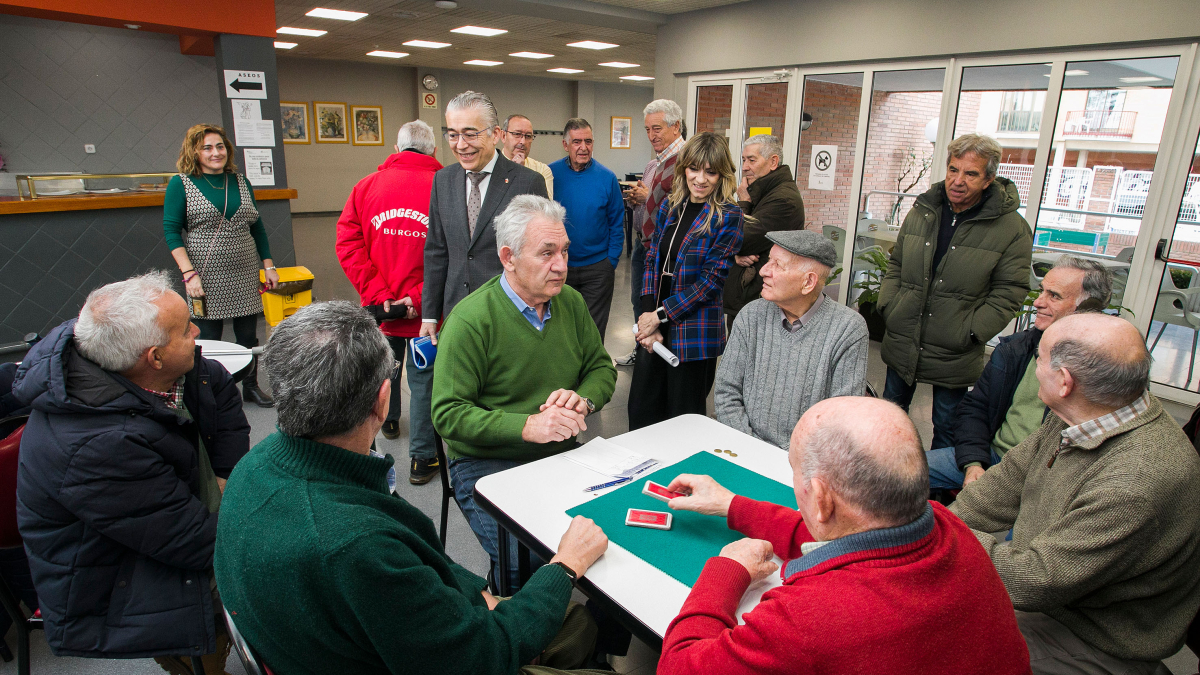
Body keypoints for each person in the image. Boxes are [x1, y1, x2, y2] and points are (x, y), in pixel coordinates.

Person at [215, 300, 614, 675]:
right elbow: (484, 656)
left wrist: (476, 593)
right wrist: (565, 566)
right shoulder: (356, 546)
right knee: (579, 623)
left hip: (321, 642)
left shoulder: (253, 467)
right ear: (383, 400)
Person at [657, 396, 1031, 674]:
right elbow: (845, 532)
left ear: (820, 500)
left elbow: (678, 666)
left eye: (795, 473)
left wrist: (726, 570)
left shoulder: (809, 618)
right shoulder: (948, 526)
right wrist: (732, 505)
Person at [13, 271, 250, 674]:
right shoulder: (98, 446)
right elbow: (193, 543)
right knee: (275, 579)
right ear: (154, 357)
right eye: (185, 329)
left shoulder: (144, 363)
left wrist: (226, 474)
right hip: (115, 573)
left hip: (161, 519)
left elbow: (219, 390)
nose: (197, 330)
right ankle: (198, 661)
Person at [952, 312, 1200, 674]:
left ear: (1064, 381)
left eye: (1039, 358)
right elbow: (1001, 487)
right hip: (1054, 602)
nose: (1035, 365)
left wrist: (938, 538)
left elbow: (1034, 580)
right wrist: (941, 520)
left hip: (1094, 637)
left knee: (940, 653)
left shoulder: (1137, 481)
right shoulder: (1080, 412)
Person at [432, 195, 617, 592]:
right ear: (508, 257)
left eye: (565, 251)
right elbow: (448, 415)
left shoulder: (571, 303)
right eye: (547, 253)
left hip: (559, 451)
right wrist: (527, 426)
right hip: (486, 462)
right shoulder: (470, 320)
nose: (563, 265)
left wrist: (582, 399)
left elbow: (601, 368)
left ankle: (592, 648)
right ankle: (510, 631)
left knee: (613, 536)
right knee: (523, 555)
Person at [878, 133, 1032, 450]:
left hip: (955, 347)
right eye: (953, 169)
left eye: (970, 173)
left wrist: (971, 332)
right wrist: (890, 307)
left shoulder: (1012, 228)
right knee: (889, 418)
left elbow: (1010, 291)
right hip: (904, 334)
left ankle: (939, 496)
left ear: (989, 179)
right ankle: (883, 482)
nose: (958, 181)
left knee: (947, 427)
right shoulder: (923, 210)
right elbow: (897, 264)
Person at [927, 255, 1113, 490]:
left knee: (1021, 528)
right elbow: (976, 408)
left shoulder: (1107, 368)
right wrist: (974, 463)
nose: (1037, 302)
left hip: (1045, 481)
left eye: (1053, 296)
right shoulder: (1014, 350)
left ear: (1088, 307)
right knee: (890, 470)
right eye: (1042, 291)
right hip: (992, 458)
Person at [336, 119, 444, 484]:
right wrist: (414, 300)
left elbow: (348, 244)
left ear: (396, 150)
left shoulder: (365, 187)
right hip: (426, 313)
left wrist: (381, 298)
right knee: (425, 379)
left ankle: (391, 420)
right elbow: (454, 254)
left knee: (385, 367)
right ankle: (423, 458)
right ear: (433, 151)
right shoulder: (446, 188)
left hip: (381, 312)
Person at [628, 132, 743, 430]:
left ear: (722, 174)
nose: (701, 179)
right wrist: (646, 316)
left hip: (693, 329)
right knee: (642, 411)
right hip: (654, 318)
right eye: (694, 169)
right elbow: (653, 259)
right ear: (684, 169)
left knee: (682, 420)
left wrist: (659, 315)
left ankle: (681, 478)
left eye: (710, 171)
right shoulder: (671, 204)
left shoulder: (728, 216)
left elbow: (710, 282)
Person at [715, 230, 867, 449]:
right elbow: (725, 392)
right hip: (743, 449)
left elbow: (841, 420)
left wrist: (788, 460)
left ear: (808, 282)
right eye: (769, 261)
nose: (763, 272)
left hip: (806, 463)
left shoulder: (848, 329)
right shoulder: (751, 315)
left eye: (777, 265)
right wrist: (752, 449)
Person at [164, 123, 278, 408]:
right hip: (205, 275)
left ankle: (250, 386)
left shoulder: (240, 182)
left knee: (248, 336)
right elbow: (171, 231)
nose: (216, 153)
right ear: (195, 152)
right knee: (207, 338)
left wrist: (269, 265)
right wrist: (189, 274)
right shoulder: (182, 183)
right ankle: (208, 390)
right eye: (207, 148)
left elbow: (258, 228)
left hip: (245, 270)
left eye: (220, 147)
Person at [616, 98, 686, 366]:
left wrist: (647, 199)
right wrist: (639, 199)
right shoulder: (655, 162)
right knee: (640, 302)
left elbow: (677, 208)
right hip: (644, 245)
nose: (651, 135)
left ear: (676, 126)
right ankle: (643, 352)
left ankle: (654, 357)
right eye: (647, 129)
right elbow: (654, 200)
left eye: (656, 128)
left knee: (655, 305)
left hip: (663, 251)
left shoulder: (683, 162)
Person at [549, 118, 625, 337]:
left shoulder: (607, 178)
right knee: (559, 330)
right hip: (559, 266)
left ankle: (592, 371)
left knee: (592, 332)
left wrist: (610, 261)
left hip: (598, 269)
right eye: (577, 142)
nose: (583, 147)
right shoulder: (550, 174)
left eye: (588, 141)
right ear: (566, 145)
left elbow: (616, 223)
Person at [722, 134, 805, 328]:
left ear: (773, 162)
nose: (745, 167)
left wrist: (743, 202)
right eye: (743, 160)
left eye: (752, 160)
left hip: (762, 298)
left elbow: (737, 238)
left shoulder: (783, 200)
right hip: (751, 294)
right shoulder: (764, 192)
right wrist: (735, 254)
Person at [501, 113, 554, 199]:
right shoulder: (491, 166)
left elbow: (543, 209)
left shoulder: (542, 170)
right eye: (517, 134)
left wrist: (522, 174)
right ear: (503, 136)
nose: (523, 141)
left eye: (528, 136)